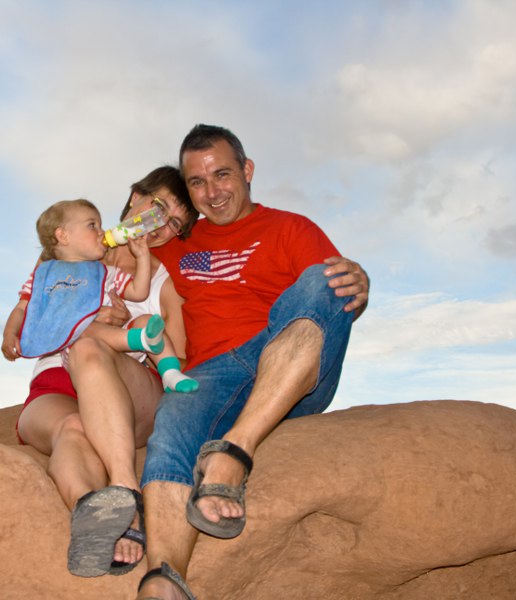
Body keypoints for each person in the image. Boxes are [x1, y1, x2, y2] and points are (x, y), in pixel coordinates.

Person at [135, 125, 370, 600]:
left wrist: (359, 282)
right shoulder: (176, 242)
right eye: (197, 182)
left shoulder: (290, 228)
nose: (212, 192)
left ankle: (233, 455)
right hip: (212, 376)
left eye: (222, 174)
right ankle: (162, 580)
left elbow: (334, 298)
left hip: (287, 368)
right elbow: (105, 248)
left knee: (326, 275)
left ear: (247, 171)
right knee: (175, 417)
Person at [0, 166, 199, 579]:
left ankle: (126, 492)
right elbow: (30, 312)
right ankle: (94, 515)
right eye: (159, 208)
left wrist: (121, 327)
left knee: (90, 347)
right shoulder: (68, 253)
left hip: (130, 388)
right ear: (135, 198)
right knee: (70, 428)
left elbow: (175, 351)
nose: (160, 226)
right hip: (57, 380)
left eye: (174, 223)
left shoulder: (160, 282)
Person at [9, 197, 197, 394]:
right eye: (92, 225)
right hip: (81, 346)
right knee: (86, 328)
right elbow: (23, 306)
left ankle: (170, 373)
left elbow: (138, 292)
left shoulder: (103, 271)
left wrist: (142, 257)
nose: (101, 231)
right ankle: (141, 340)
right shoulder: (45, 273)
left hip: (125, 351)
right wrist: (10, 333)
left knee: (146, 320)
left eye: (99, 224)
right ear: (63, 236)